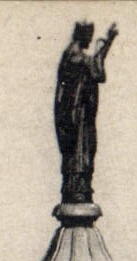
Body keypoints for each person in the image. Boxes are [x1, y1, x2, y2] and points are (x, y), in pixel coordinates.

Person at [54, 21, 118, 204]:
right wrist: (109, 41)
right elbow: (97, 71)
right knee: (81, 152)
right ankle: (78, 187)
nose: (90, 41)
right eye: (89, 36)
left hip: (73, 116)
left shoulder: (68, 55)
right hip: (77, 118)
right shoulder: (76, 57)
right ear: (81, 34)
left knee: (79, 152)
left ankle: (76, 186)